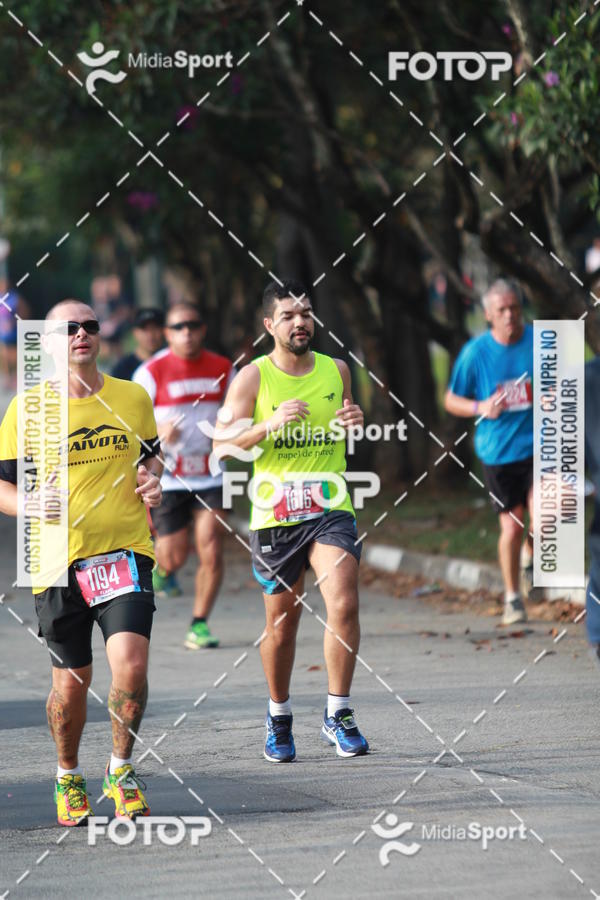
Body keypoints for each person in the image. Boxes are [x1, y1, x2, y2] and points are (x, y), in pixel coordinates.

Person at [0, 299, 163, 825]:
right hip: (56, 561)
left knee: (131, 666)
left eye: (90, 326)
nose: (81, 335)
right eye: (68, 329)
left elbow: (149, 457)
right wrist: (28, 502)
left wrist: (152, 481)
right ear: (48, 343)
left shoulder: (132, 397)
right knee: (72, 685)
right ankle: (68, 774)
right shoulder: (27, 410)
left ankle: (121, 770)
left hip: (124, 553)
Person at [214, 279, 369, 762]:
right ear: (269, 325)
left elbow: (347, 423)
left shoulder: (336, 369)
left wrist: (355, 422)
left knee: (343, 603)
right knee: (282, 624)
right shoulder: (252, 379)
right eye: (288, 315)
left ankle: (337, 713)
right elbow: (221, 447)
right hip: (275, 513)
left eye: (305, 312)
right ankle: (279, 717)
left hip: (330, 506)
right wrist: (267, 424)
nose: (299, 321)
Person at [134, 302, 233, 649]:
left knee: (212, 547)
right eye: (178, 327)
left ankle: (200, 622)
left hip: (211, 473)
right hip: (170, 477)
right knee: (173, 555)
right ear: (167, 333)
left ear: (203, 329)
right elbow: (131, 426)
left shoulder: (223, 367)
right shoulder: (151, 371)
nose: (186, 332)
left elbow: (239, 411)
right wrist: (158, 430)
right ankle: (165, 571)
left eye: (192, 325)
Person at [444, 279, 533, 626]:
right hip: (499, 452)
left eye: (515, 308)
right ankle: (513, 597)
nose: (510, 315)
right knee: (512, 528)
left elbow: (566, 380)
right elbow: (451, 400)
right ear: (488, 316)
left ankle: (531, 556)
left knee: (546, 514)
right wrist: (480, 405)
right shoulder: (475, 352)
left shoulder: (541, 342)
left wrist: (554, 395)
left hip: (540, 445)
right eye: (502, 310)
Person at [112, 307, 165, 382]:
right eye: (144, 329)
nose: (150, 335)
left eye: (154, 328)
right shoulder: (122, 370)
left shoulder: (174, 363)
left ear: (164, 331)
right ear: (135, 332)